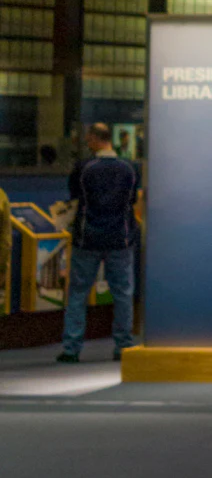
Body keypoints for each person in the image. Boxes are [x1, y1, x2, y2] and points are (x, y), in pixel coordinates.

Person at [57, 122, 139, 364]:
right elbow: (132, 200)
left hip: (88, 237)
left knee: (78, 293)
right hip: (120, 237)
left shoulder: (84, 168)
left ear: (94, 139)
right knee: (123, 293)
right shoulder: (129, 168)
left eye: (88, 139)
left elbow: (75, 197)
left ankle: (72, 348)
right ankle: (123, 345)